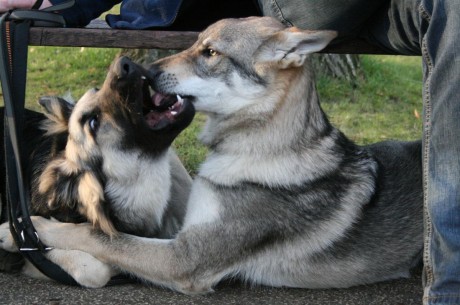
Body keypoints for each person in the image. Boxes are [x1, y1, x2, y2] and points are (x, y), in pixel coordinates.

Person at [1, 0, 458, 304]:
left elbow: (187, 269)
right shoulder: (254, 168)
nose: (170, 67)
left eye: (209, 54)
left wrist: (68, 234)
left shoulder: (266, 189)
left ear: (284, 58)